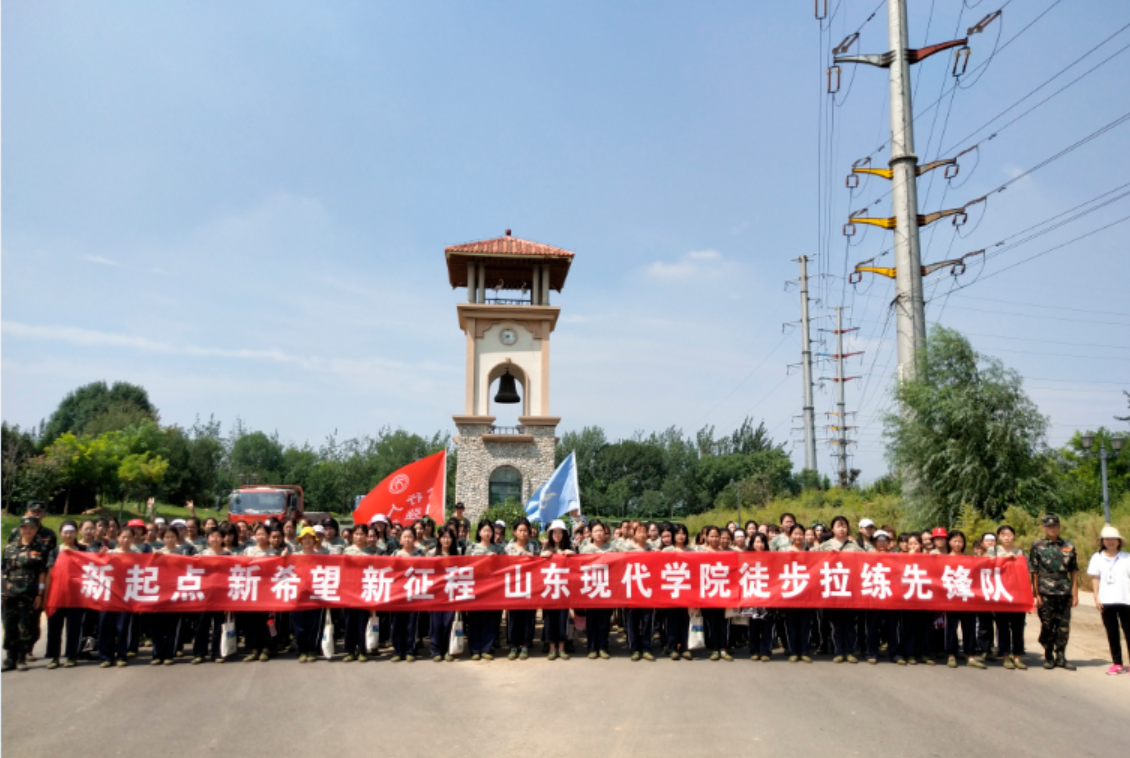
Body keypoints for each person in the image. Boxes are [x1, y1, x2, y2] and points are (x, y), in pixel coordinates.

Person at [1029, 513, 1079, 670]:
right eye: (1048, 526)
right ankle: (1048, 654)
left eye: (1054, 526)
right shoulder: (1037, 545)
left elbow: (1074, 570)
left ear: (1059, 527)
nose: (1052, 528)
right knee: (1047, 625)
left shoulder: (1068, 545)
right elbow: (1034, 571)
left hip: (1064, 590)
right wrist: (1036, 594)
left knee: (1063, 626)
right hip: (1045, 590)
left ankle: (1061, 656)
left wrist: (1075, 593)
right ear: (1043, 527)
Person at [2, 517, 49, 671]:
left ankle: (21, 658)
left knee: (25, 626)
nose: (28, 530)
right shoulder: (9, 548)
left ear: (36, 529)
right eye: (24, 527)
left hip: (29, 594)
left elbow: (42, 574)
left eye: (31, 528)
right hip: (9, 594)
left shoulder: (40, 549)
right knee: (9, 626)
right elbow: (3, 569)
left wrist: (40, 594)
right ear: (20, 529)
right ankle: (10, 658)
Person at [815, 516, 862, 663]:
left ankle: (850, 651)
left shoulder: (854, 546)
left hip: (851, 588)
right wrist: (827, 555)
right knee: (836, 623)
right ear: (832, 529)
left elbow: (867, 559)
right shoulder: (825, 545)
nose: (842, 529)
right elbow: (811, 558)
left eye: (844, 526)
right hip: (833, 588)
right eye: (838, 526)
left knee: (850, 623)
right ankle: (839, 651)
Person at [42, 520, 87, 670]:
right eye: (66, 532)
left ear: (76, 533)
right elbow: (49, 574)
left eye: (71, 531)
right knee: (54, 627)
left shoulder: (83, 550)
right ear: (61, 533)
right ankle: (54, 656)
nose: (68, 535)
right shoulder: (54, 551)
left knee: (74, 626)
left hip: (76, 596)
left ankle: (72, 656)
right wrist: (45, 595)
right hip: (57, 594)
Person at [1087, 524, 1130, 675]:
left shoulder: (1127, 557)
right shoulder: (1097, 558)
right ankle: (1117, 663)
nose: (1110, 542)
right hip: (1106, 600)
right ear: (1102, 541)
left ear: (1119, 541)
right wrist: (1096, 597)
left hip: (1126, 600)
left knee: (1129, 632)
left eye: (1113, 539)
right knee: (1112, 633)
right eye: (1107, 539)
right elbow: (1095, 578)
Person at [942, 530, 986, 670]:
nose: (957, 544)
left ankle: (970, 656)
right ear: (949, 542)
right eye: (954, 541)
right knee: (951, 627)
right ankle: (951, 655)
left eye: (960, 541)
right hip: (951, 598)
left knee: (969, 627)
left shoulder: (969, 559)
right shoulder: (943, 558)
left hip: (967, 598)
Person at [985, 525, 1027, 670]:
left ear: (1014, 536)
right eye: (1003, 535)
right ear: (999, 537)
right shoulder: (993, 550)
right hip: (1001, 593)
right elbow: (989, 565)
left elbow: (1025, 572)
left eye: (1009, 534)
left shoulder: (1020, 552)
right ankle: (1005, 655)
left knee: (1018, 627)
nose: (1007, 537)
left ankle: (1018, 656)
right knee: (1002, 626)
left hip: (1017, 594)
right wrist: (1006, 558)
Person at [98, 527, 139, 668]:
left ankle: (122, 655)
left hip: (126, 596)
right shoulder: (110, 553)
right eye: (123, 537)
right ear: (118, 538)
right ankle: (106, 657)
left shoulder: (138, 555)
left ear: (133, 539)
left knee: (123, 627)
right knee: (105, 626)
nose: (126, 540)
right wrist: (100, 556)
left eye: (129, 537)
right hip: (108, 595)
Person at [863, 530, 901, 665]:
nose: (882, 543)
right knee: (873, 627)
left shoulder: (896, 557)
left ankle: (895, 653)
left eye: (885, 540)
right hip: (874, 596)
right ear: (874, 542)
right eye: (879, 540)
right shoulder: (868, 557)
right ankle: (872, 653)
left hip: (891, 597)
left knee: (892, 627)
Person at [579, 520, 615, 659]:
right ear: (591, 533)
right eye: (596, 531)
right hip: (591, 589)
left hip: (606, 589)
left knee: (605, 620)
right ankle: (592, 647)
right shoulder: (585, 550)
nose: (599, 533)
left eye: (601, 531)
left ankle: (603, 647)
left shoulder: (611, 549)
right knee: (592, 620)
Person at [504, 518, 538, 661]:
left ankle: (525, 645)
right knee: (513, 617)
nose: (523, 533)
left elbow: (541, 564)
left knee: (528, 617)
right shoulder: (508, 548)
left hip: (529, 587)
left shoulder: (533, 547)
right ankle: (513, 646)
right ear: (514, 532)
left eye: (525, 530)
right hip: (513, 587)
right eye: (520, 530)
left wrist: (533, 558)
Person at [621, 522, 655, 662]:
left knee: (647, 620)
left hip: (648, 591)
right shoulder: (626, 549)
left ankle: (646, 648)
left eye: (644, 531)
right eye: (639, 531)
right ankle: (634, 648)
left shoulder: (652, 549)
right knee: (632, 621)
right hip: (632, 590)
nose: (642, 534)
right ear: (633, 534)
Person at [898, 534, 935, 666]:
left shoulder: (928, 557)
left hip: (924, 596)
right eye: (910, 544)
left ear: (921, 544)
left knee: (924, 626)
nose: (913, 546)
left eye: (915, 543)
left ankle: (924, 653)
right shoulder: (901, 557)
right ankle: (909, 653)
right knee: (909, 626)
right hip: (908, 596)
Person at [389, 528, 425, 662]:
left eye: (410, 537)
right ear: (400, 540)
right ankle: (398, 651)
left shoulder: (420, 554)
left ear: (414, 538)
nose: (407, 539)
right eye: (405, 537)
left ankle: (410, 650)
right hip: (398, 594)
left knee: (411, 623)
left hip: (414, 594)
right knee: (397, 623)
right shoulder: (395, 554)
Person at [541, 519, 575, 660]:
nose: (557, 535)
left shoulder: (569, 548)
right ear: (550, 534)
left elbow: (578, 564)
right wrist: (543, 556)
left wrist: (571, 554)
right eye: (554, 532)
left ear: (564, 534)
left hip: (563, 590)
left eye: (560, 532)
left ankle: (561, 648)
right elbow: (538, 564)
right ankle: (551, 648)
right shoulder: (545, 548)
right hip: (549, 590)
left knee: (563, 619)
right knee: (549, 620)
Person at [427, 526, 462, 662]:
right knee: (436, 623)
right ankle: (435, 650)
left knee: (448, 622)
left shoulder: (458, 554)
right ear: (439, 538)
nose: (446, 540)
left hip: (452, 592)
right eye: (444, 537)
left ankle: (448, 649)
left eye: (449, 537)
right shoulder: (431, 554)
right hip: (436, 594)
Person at [699, 526, 733, 662]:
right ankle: (714, 649)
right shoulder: (699, 552)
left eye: (716, 536)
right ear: (706, 537)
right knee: (711, 622)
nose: (714, 539)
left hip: (724, 592)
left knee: (724, 622)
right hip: (708, 593)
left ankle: (724, 648)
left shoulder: (727, 554)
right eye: (711, 536)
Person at [781, 525, 813, 663]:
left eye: (801, 534)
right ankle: (793, 651)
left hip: (806, 592)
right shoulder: (784, 551)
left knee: (805, 623)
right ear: (791, 535)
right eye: (795, 534)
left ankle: (804, 651)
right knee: (791, 623)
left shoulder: (810, 551)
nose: (798, 536)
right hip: (790, 592)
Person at [747, 532, 774, 661]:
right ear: (752, 544)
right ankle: (754, 650)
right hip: (752, 595)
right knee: (753, 625)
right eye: (757, 542)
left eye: (762, 542)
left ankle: (765, 651)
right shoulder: (746, 558)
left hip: (768, 595)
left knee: (767, 625)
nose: (760, 544)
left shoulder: (772, 557)